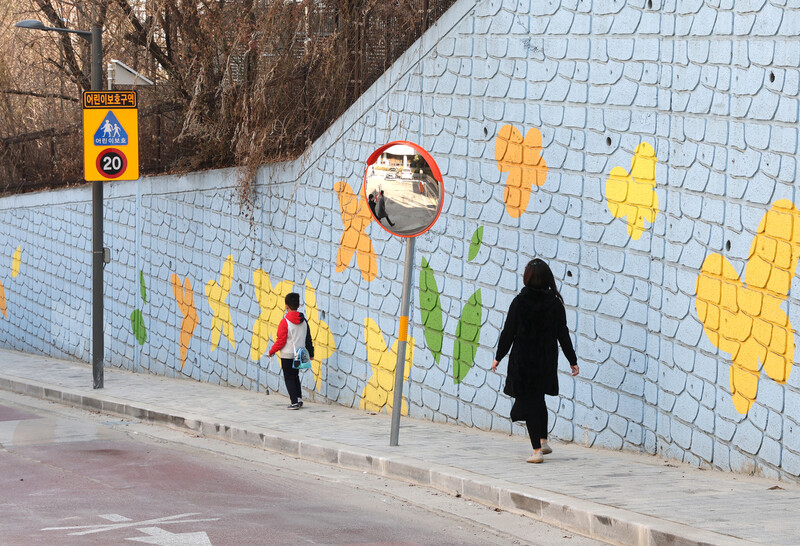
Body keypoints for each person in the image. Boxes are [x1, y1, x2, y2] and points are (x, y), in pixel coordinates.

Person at [492, 258, 579, 463]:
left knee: (529, 402)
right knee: (538, 398)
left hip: (524, 360)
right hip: (546, 360)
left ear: (527, 278)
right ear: (548, 278)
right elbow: (563, 333)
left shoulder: (520, 302)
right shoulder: (555, 303)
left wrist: (498, 356)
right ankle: (544, 439)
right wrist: (572, 360)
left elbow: (508, 333)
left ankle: (536, 451)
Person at [268, 292, 315, 409]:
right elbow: (308, 338)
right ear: (298, 305)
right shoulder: (304, 321)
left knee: (289, 377)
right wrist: (311, 353)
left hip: (287, 354)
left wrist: (271, 351)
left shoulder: (285, 322)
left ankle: (294, 402)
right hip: (299, 354)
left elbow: (281, 341)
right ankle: (299, 399)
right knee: (295, 376)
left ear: (286, 306)